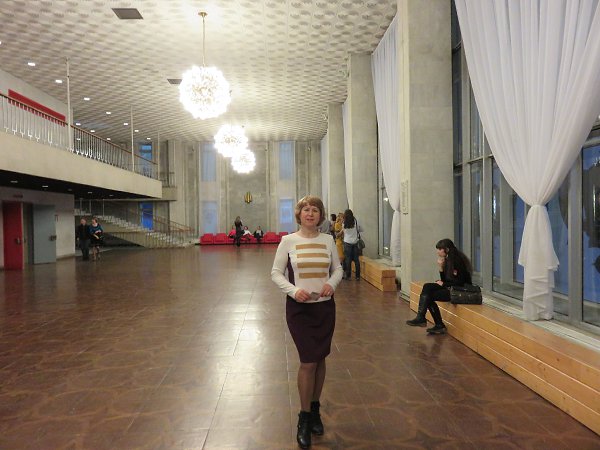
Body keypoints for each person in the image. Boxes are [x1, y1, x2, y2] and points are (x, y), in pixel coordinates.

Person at [271, 196, 343, 449]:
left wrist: (331, 284)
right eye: (306, 210)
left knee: (320, 359)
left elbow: (338, 269)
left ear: (320, 215)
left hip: (324, 308)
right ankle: (303, 418)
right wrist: (293, 291)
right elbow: (276, 273)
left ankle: (314, 411)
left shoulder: (328, 240)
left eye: (315, 210)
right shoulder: (288, 241)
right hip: (299, 310)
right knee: (308, 361)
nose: (310, 213)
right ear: (299, 214)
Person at [406, 238, 473, 334]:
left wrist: (444, 284)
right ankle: (421, 317)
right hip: (452, 287)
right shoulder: (448, 259)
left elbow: (460, 282)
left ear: (447, 249)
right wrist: (441, 268)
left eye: (440, 249)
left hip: (460, 291)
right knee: (427, 286)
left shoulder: (458, 261)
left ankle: (436, 324)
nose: (438, 252)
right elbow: (446, 280)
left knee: (429, 296)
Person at [342, 209, 362, 280]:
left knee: (348, 259)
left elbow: (344, 232)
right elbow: (360, 229)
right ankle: (357, 276)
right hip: (355, 242)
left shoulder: (344, 222)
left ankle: (348, 276)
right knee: (356, 260)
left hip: (347, 242)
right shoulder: (355, 221)